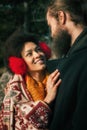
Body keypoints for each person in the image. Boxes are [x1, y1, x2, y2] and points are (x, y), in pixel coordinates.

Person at [0, 32, 61, 130]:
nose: (37, 55)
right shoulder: (14, 91)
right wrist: (48, 99)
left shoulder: (57, 73)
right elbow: (23, 125)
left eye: (38, 50)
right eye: (29, 54)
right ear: (20, 62)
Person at [46, 0, 87, 130]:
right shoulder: (74, 57)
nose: (52, 34)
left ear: (61, 17)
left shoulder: (81, 60)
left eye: (50, 25)